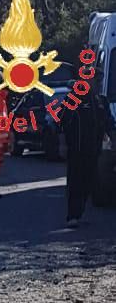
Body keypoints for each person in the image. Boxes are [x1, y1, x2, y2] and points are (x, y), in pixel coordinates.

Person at [63, 88, 108, 227]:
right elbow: (63, 120)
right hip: (77, 149)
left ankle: (79, 212)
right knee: (76, 182)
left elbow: (107, 121)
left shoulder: (100, 100)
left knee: (89, 182)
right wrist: (63, 143)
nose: (97, 83)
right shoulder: (74, 98)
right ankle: (72, 215)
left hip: (93, 150)